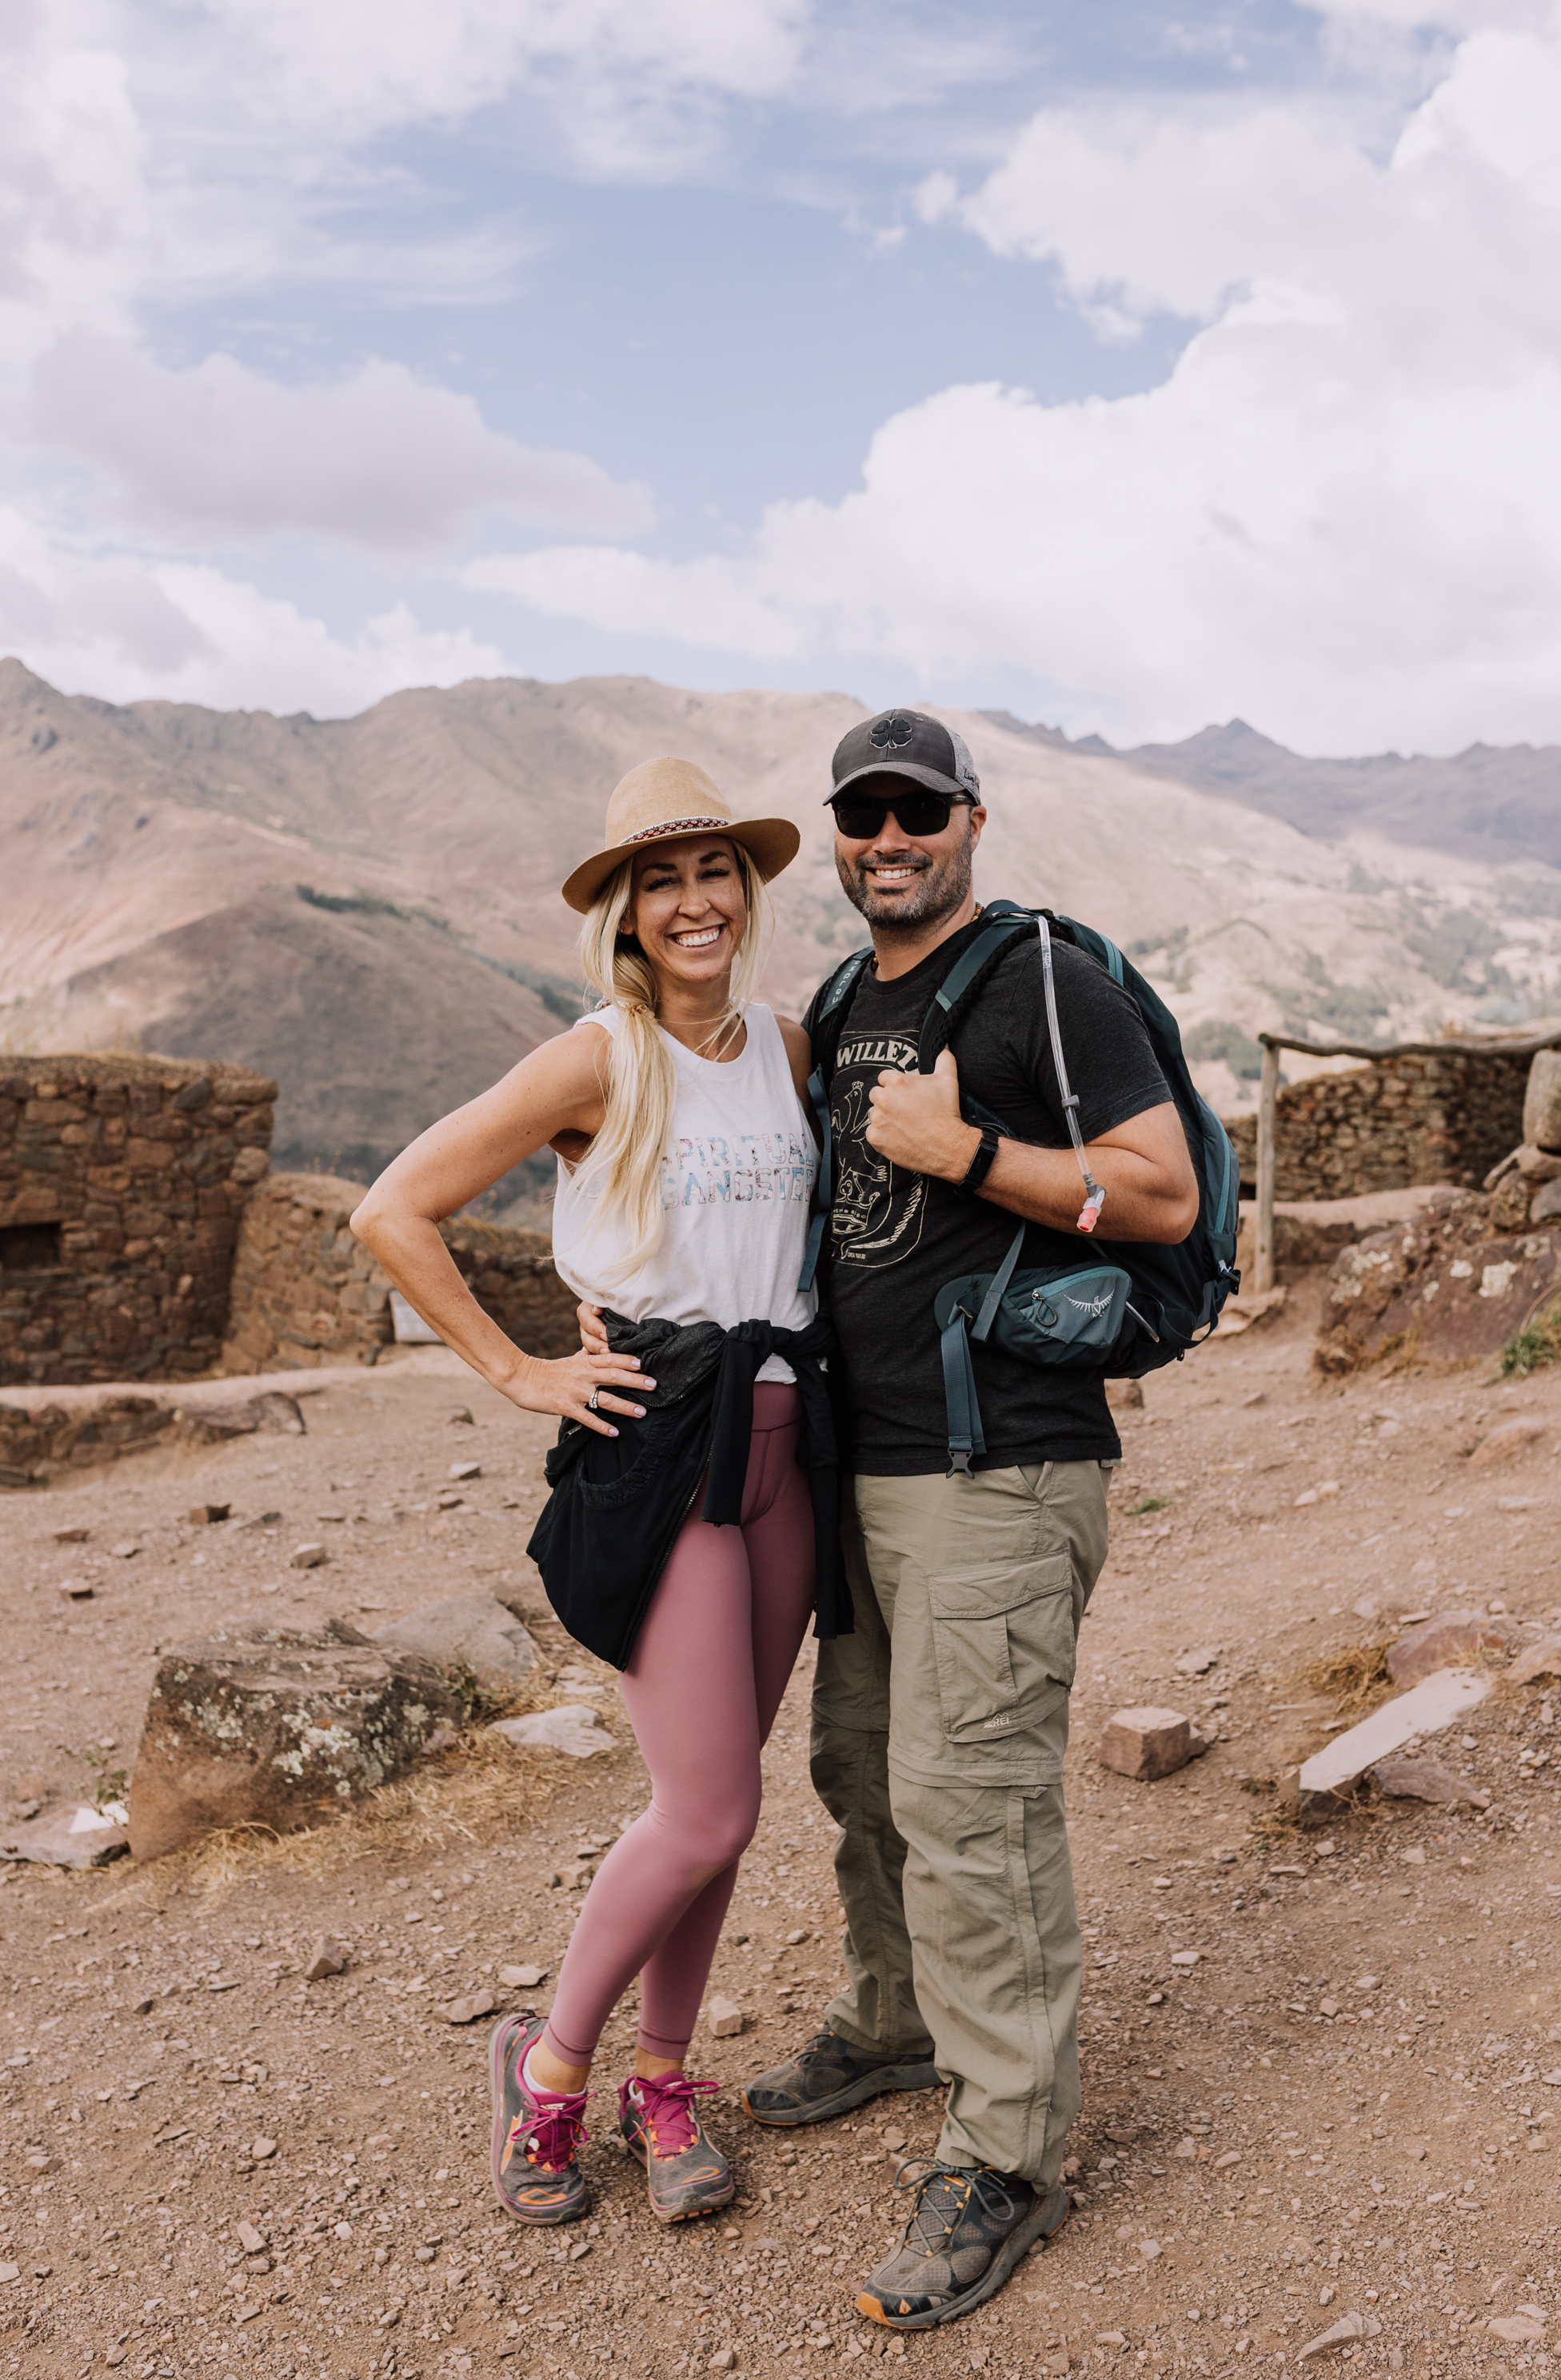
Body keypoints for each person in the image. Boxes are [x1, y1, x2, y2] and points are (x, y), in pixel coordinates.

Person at [739, 709, 1200, 2332]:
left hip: (1001, 1462)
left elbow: (1161, 1195)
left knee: (973, 1800)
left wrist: (965, 1149)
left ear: (970, 819)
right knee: (858, 1767)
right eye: (861, 815)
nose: (887, 837)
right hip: (865, 1468)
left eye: (915, 810)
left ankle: (1006, 2152)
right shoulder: (844, 996)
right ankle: (896, 2018)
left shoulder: (1041, 981)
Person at [351, 755, 841, 2230]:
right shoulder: (598, 1060)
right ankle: (549, 2072)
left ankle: (668, 2077)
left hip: (784, 1450)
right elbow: (394, 1209)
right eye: (661, 880)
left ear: (744, 893)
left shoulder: (792, 1049)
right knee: (700, 1810)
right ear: (625, 914)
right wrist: (518, 1372)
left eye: (715, 873)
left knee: (730, 1812)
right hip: (657, 1446)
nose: (693, 901)